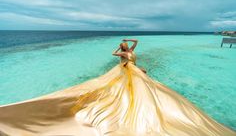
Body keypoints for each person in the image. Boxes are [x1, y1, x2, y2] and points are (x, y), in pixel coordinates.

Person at [0, 39, 235, 136]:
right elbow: (117, 53)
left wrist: (127, 44)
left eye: (124, 45)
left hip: (134, 69)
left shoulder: (130, 51)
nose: (125, 47)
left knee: (142, 86)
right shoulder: (124, 53)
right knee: (133, 91)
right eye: (124, 46)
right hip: (129, 71)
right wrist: (120, 48)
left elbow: (136, 43)